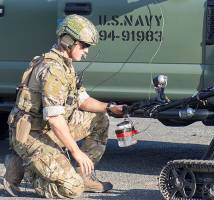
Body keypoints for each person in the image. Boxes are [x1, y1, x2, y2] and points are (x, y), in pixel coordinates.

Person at [3, 14, 124, 198]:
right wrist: (77, 153)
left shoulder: (65, 65)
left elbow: (82, 100)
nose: (86, 51)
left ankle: (84, 177)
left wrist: (110, 107)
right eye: (83, 45)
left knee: (99, 119)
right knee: (72, 190)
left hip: (46, 128)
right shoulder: (53, 70)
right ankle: (27, 170)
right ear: (68, 40)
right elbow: (54, 118)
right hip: (31, 134)